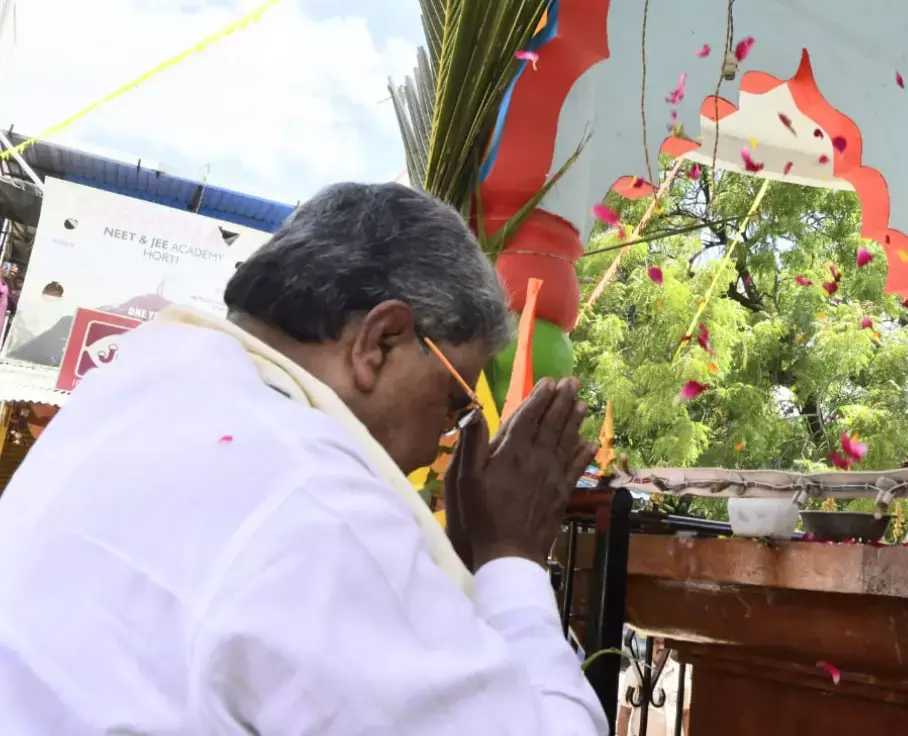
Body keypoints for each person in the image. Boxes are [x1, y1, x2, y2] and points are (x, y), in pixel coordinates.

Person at [0, 182, 605, 734]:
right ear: (380, 342)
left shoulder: (140, 381)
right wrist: (512, 557)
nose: (440, 443)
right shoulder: (317, 499)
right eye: (454, 401)